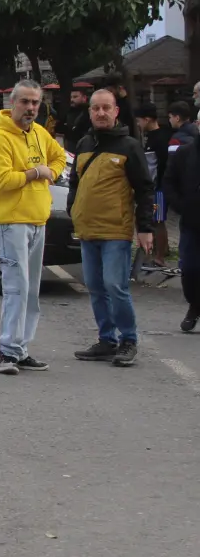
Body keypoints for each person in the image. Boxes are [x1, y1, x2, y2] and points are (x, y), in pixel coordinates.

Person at [0, 79, 66, 375]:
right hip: (10, 223)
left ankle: (21, 349)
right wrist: (36, 172)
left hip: (36, 221)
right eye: (25, 102)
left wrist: (51, 171)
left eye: (35, 103)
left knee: (30, 290)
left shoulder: (39, 133)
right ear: (12, 103)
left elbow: (59, 157)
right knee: (16, 288)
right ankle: (7, 351)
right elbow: (4, 180)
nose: (31, 108)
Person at [68, 89, 155, 367]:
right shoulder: (84, 144)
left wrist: (145, 228)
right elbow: (74, 183)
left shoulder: (129, 146)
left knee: (115, 286)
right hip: (87, 230)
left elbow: (144, 190)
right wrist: (73, 210)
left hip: (116, 231)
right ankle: (107, 340)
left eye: (107, 108)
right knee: (94, 286)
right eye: (96, 108)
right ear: (90, 112)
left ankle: (128, 340)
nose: (101, 113)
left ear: (116, 111)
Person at [165, 132, 200, 332]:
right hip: (191, 221)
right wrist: (181, 205)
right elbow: (169, 181)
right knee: (190, 268)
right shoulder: (185, 153)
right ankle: (195, 304)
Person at [134, 103, 172, 266]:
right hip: (152, 188)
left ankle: (159, 257)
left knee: (157, 221)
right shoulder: (152, 136)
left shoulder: (160, 139)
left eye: (139, 121)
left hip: (158, 189)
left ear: (147, 119)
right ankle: (152, 254)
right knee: (152, 219)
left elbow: (157, 165)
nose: (138, 124)